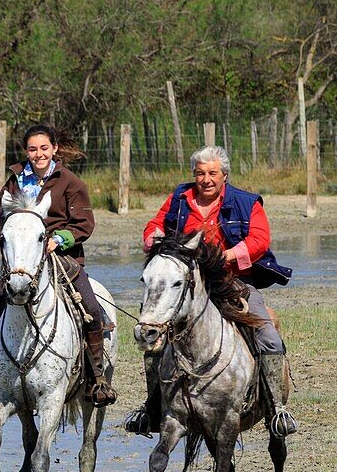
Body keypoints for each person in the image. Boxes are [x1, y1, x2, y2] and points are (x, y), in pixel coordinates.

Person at [126, 145, 296, 437]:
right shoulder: (180, 198)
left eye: (212, 173)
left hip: (232, 282)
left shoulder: (246, 202)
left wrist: (226, 257)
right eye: (200, 173)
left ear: (224, 176)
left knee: (268, 334)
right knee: (152, 336)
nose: (205, 179)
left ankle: (276, 408)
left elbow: (259, 240)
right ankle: (153, 408)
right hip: (186, 286)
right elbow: (156, 224)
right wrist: (153, 237)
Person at [0, 124, 117, 408]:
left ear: (54, 149)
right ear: (25, 151)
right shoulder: (14, 180)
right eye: (32, 149)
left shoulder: (71, 183)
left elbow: (84, 225)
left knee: (91, 308)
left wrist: (59, 239)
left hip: (62, 257)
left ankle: (97, 378)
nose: (38, 154)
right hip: (23, 259)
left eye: (43, 148)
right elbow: (1, 217)